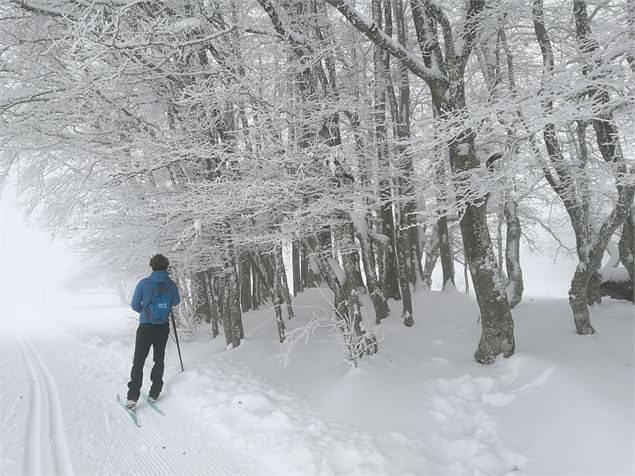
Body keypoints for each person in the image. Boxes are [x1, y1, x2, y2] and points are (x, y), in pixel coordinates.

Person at [126, 254, 180, 410]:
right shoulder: (171, 285)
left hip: (145, 327)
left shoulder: (144, 283)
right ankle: (154, 393)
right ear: (166, 267)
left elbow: (135, 305)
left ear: (152, 266)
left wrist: (145, 310)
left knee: (139, 361)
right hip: (162, 327)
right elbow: (176, 302)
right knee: (159, 359)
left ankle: (132, 397)